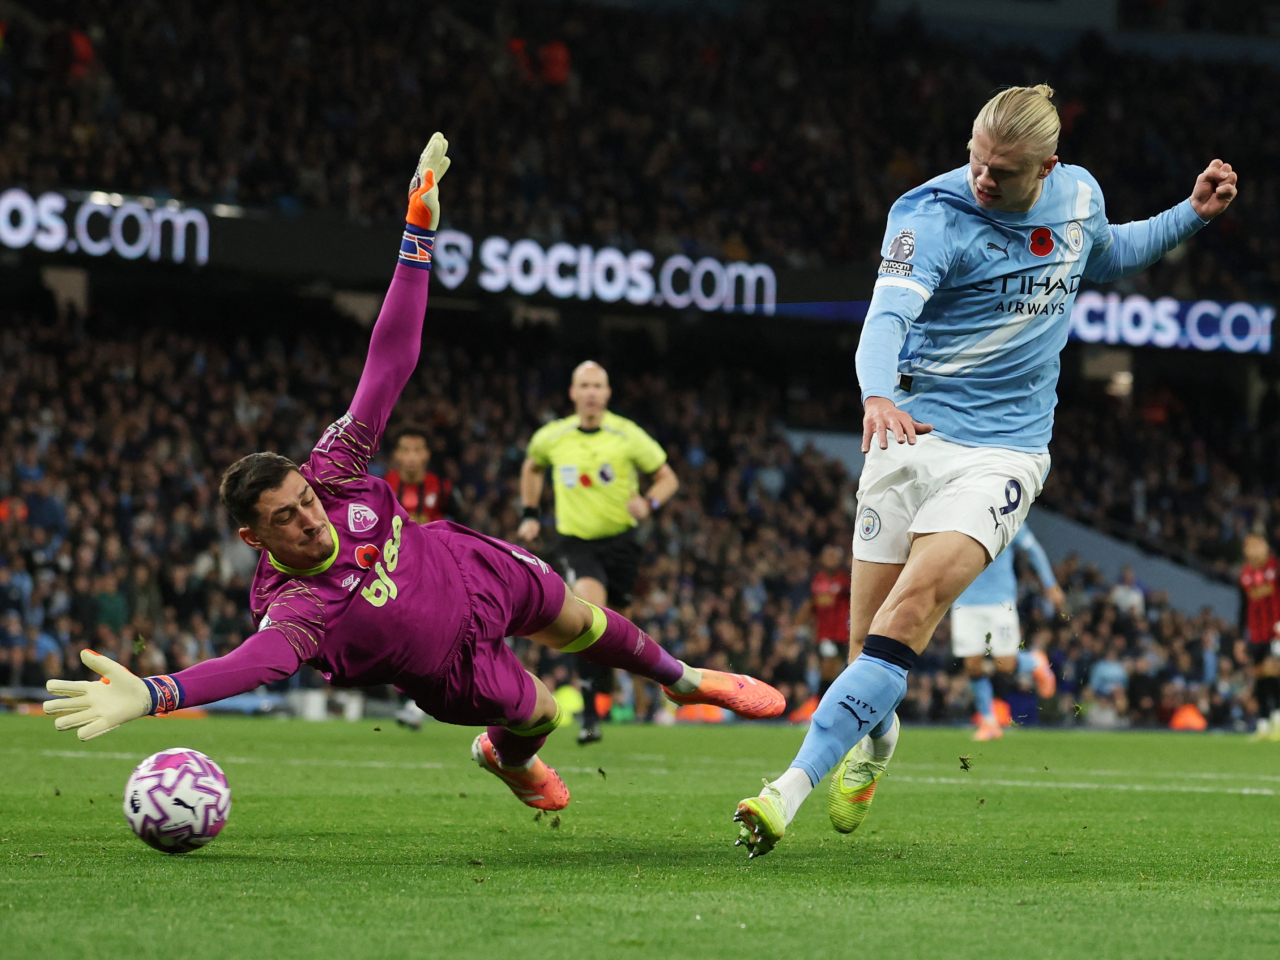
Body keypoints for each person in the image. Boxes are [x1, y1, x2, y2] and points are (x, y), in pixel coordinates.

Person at [43, 134, 785, 815]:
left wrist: (417, 234)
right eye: (287, 519)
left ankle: (689, 681)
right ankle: (504, 755)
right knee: (542, 714)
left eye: (304, 499)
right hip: (449, 669)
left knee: (581, 619)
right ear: (252, 537)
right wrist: (153, 694)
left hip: (466, 563)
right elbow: (250, 665)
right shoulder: (298, 607)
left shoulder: (333, 470)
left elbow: (389, 362)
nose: (309, 517)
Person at [733, 84, 1237, 857]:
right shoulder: (929, 217)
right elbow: (887, 319)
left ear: (1048, 167)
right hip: (908, 429)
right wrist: (873, 392)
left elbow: (1109, 253)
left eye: (1002, 171)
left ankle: (782, 795)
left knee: (905, 619)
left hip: (1004, 450)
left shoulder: (1077, 197)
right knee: (863, 652)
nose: (982, 178)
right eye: (975, 158)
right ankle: (876, 739)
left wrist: (1190, 214)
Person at [516, 361, 681, 744]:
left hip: (622, 545)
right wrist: (529, 513)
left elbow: (667, 477)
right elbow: (532, 467)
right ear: (573, 393)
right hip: (575, 542)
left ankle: (605, 687)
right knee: (589, 613)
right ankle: (590, 718)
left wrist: (650, 504)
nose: (591, 392)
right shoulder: (552, 436)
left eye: (598, 386)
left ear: (607, 394)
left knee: (613, 625)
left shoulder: (627, 435)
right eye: (584, 385)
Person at [952, 524, 1063, 741]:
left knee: (1006, 663)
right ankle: (988, 721)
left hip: (1000, 600)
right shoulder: (958, 514)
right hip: (964, 600)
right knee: (972, 665)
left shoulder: (1007, 516)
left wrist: (1050, 584)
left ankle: (1035, 662)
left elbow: (1034, 550)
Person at [1238, 533, 1280, 740]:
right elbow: (1243, 607)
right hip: (1256, 634)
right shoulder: (1245, 574)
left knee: (1274, 671)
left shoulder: (1276, 567)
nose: (1251, 550)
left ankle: (1278, 721)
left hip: (1277, 630)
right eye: (1248, 546)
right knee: (1260, 677)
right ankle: (1264, 723)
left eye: (1256, 545)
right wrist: (1239, 638)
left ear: (1265, 546)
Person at [800, 543, 851, 698]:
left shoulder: (846, 580)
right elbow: (810, 606)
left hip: (844, 635)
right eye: (828, 555)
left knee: (840, 672)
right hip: (825, 635)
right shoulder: (816, 580)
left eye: (834, 556)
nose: (831, 559)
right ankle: (822, 702)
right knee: (828, 668)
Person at [384, 427, 458, 524]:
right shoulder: (383, 487)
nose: (412, 457)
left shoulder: (442, 487)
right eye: (406, 450)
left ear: (427, 454)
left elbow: (461, 519)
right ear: (396, 454)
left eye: (417, 450)